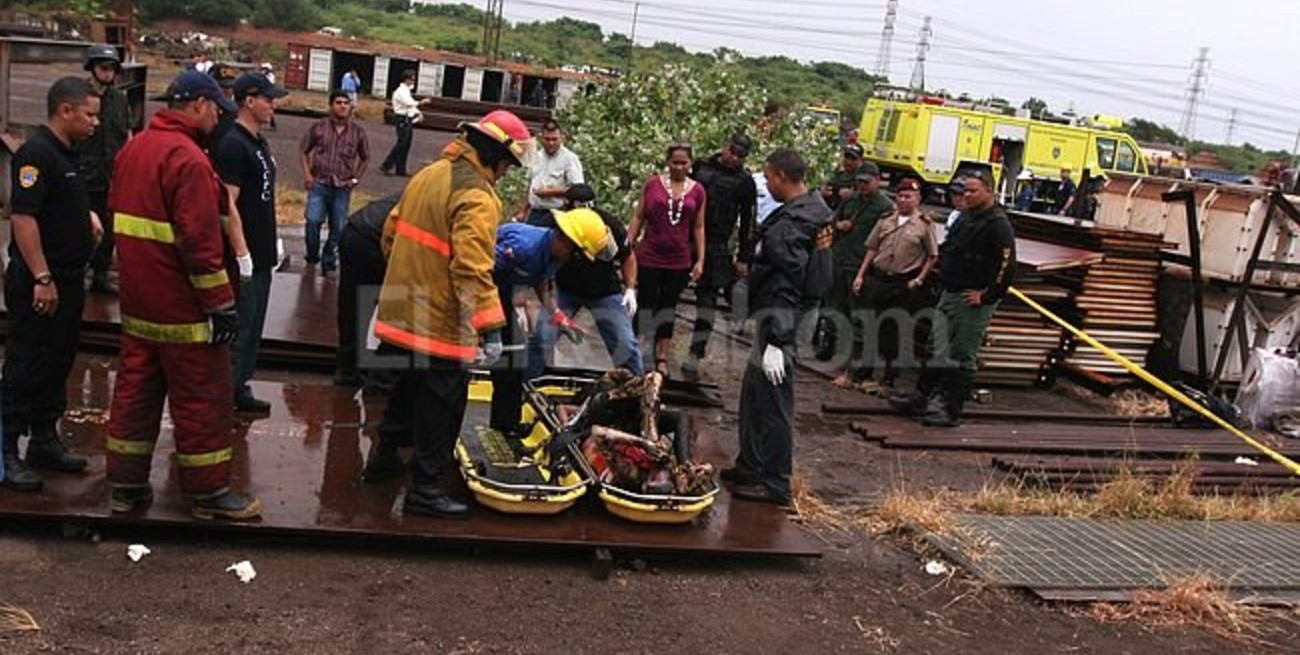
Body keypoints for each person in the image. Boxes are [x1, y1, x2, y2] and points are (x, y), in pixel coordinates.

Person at [105, 71, 262, 519]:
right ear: (196, 104)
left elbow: (118, 217)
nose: (219, 117)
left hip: (140, 307)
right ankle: (208, 493)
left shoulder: (133, 150)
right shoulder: (188, 160)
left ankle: (126, 485)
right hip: (185, 313)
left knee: (135, 395)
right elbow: (199, 244)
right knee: (203, 400)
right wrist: (222, 305)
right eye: (216, 108)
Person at [364, 110, 532, 519]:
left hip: (404, 311)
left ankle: (383, 460)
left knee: (405, 388)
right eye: (508, 165)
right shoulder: (476, 195)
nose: (506, 174)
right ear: (496, 155)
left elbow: (390, 232)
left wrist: (410, 279)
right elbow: (472, 269)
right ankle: (425, 489)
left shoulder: (429, 174)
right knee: (442, 404)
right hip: (441, 322)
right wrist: (490, 327)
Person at [1, 77, 101, 492]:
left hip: (70, 280)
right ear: (66, 110)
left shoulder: (67, 153)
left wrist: (87, 219)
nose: (95, 122)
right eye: (90, 114)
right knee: (27, 362)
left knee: (57, 362)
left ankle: (44, 439)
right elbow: (23, 218)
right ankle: (6, 450)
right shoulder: (36, 154)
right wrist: (41, 277)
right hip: (40, 282)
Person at [724, 148, 832, 506]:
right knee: (754, 393)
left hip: (785, 319)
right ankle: (750, 465)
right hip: (783, 315)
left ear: (782, 177)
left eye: (768, 177)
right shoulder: (813, 209)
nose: (766, 184)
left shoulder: (796, 222)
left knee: (774, 400)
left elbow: (788, 283)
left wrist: (777, 340)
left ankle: (774, 483)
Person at [890, 170, 1015, 428]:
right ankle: (922, 397)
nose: (966, 195)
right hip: (949, 292)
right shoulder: (964, 218)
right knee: (936, 347)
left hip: (972, 301)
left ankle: (950, 409)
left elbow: (1006, 266)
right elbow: (949, 249)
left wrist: (987, 295)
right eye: (964, 191)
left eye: (972, 191)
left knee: (961, 354)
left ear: (989, 191)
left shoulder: (998, 224)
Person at [488, 209, 614, 437]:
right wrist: (485, 323)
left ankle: (505, 424)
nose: (574, 258)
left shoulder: (554, 256)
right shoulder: (524, 247)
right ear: (565, 239)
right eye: (575, 252)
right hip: (479, 291)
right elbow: (479, 272)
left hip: (499, 294)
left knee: (514, 358)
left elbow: (541, 283)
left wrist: (559, 317)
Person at [214, 72, 288, 414]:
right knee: (241, 328)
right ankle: (224, 395)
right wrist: (241, 252)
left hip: (262, 251)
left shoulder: (258, 141)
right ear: (248, 101)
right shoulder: (232, 144)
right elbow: (228, 203)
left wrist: (271, 241)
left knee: (255, 326)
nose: (272, 105)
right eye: (268, 99)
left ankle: (240, 385)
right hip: (245, 255)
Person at [526, 184, 643, 380]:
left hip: (604, 292)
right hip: (566, 291)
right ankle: (526, 384)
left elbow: (627, 256)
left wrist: (630, 288)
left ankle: (639, 388)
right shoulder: (553, 223)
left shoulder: (609, 224)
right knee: (541, 338)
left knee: (624, 342)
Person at [626, 141, 707, 376]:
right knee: (645, 303)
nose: (679, 167)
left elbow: (699, 227)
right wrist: (628, 243)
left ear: (691, 164)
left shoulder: (698, 190)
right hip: (650, 254)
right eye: (675, 163)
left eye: (684, 163)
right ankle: (636, 350)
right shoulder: (653, 184)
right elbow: (639, 216)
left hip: (679, 259)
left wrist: (700, 259)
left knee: (669, 307)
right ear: (667, 163)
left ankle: (662, 356)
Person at [851, 178, 938, 388]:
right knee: (870, 325)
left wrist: (918, 279)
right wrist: (860, 275)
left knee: (894, 330)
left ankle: (890, 375)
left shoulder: (924, 225)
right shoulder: (886, 219)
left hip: (902, 283)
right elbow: (872, 248)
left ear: (917, 199)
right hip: (879, 278)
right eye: (900, 196)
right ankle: (865, 371)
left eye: (909, 196)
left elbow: (932, 255)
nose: (903, 200)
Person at [684, 134, 756, 378]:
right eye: (732, 152)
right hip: (685, 240)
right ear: (725, 147)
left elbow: (748, 221)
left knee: (707, 302)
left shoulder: (744, 182)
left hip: (716, 243)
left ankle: (696, 352)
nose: (733, 158)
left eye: (740, 156)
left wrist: (744, 256)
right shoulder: (700, 167)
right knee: (665, 293)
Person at [827, 163, 894, 386]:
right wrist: (839, 225)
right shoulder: (851, 200)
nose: (862, 186)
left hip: (861, 266)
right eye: (860, 182)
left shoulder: (884, 206)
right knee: (836, 309)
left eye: (867, 182)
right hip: (841, 259)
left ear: (877, 181)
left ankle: (857, 365)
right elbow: (832, 221)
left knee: (860, 316)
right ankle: (836, 354)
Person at [299, 89, 369, 277]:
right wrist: (307, 175)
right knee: (313, 221)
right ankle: (312, 256)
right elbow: (304, 150)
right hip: (319, 183)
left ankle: (329, 261)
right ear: (331, 106)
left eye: (346, 103)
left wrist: (356, 179)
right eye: (338, 102)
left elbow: (365, 157)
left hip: (342, 187)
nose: (342, 106)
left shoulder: (358, 132)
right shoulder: (318, 127)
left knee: (338, 227)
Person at [78, 44, 130, 295]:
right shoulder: (78, 96)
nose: (108, 73)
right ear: (92, 68)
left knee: (109, 227)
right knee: (78, 226)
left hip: (111, 175)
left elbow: (127, 134)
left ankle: (100, 272)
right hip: (82, 175)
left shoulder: (120, 99)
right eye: (103, 67)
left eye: (112, 69)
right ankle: (77, 271)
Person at [334, 194, 400, 388]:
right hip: (371, 238)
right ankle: (380, 377)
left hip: (357, 229)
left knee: (352, 306)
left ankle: (347, 369)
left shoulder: (429, 184)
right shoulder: (448, 200)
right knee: (399, 307)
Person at [524, 120, 584, 224]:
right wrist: (524, 211)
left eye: (554, 139)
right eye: (547, 139)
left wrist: (550, 192)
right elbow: (530, 185)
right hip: (535, 213)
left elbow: (579, 190)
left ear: (561, 138)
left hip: (558, 214)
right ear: (541, 138)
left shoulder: (570, 159)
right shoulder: (536, 156)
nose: (551, 143)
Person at [379, 71, 429, 177]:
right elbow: (408, 103)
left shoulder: (406, 91)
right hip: (402, 119)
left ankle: (400, 169)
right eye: (412, 79)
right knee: (402, 144)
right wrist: (421, 102)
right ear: (406, 79)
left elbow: (410, 106)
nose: (413, 81)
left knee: (406, 144)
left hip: (407, 119)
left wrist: (418, 113)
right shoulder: (401, 91)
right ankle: (386, 165)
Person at [820, 143, 864, 211]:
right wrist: (822, 192)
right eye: (847, 157)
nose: (849, 162)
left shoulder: (863, 178)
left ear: (860, 160)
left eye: (853, 159)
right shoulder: (837, 176)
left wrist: (852, 196)